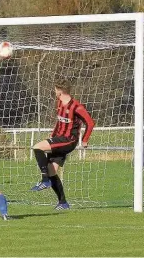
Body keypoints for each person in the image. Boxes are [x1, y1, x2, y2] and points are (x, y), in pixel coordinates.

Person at [31, 79, 95, 210]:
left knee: (37, 147)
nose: (54, 92)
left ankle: (44, 180)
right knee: (52, 171)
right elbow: (59, 122)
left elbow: (90, 122)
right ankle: (63, 203)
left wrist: (85, 139)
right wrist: (53, 134)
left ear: (60, 91)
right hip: (59, 139)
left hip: (68, 140)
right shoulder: (60, 103)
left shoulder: (77, 107)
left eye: (55, 89)